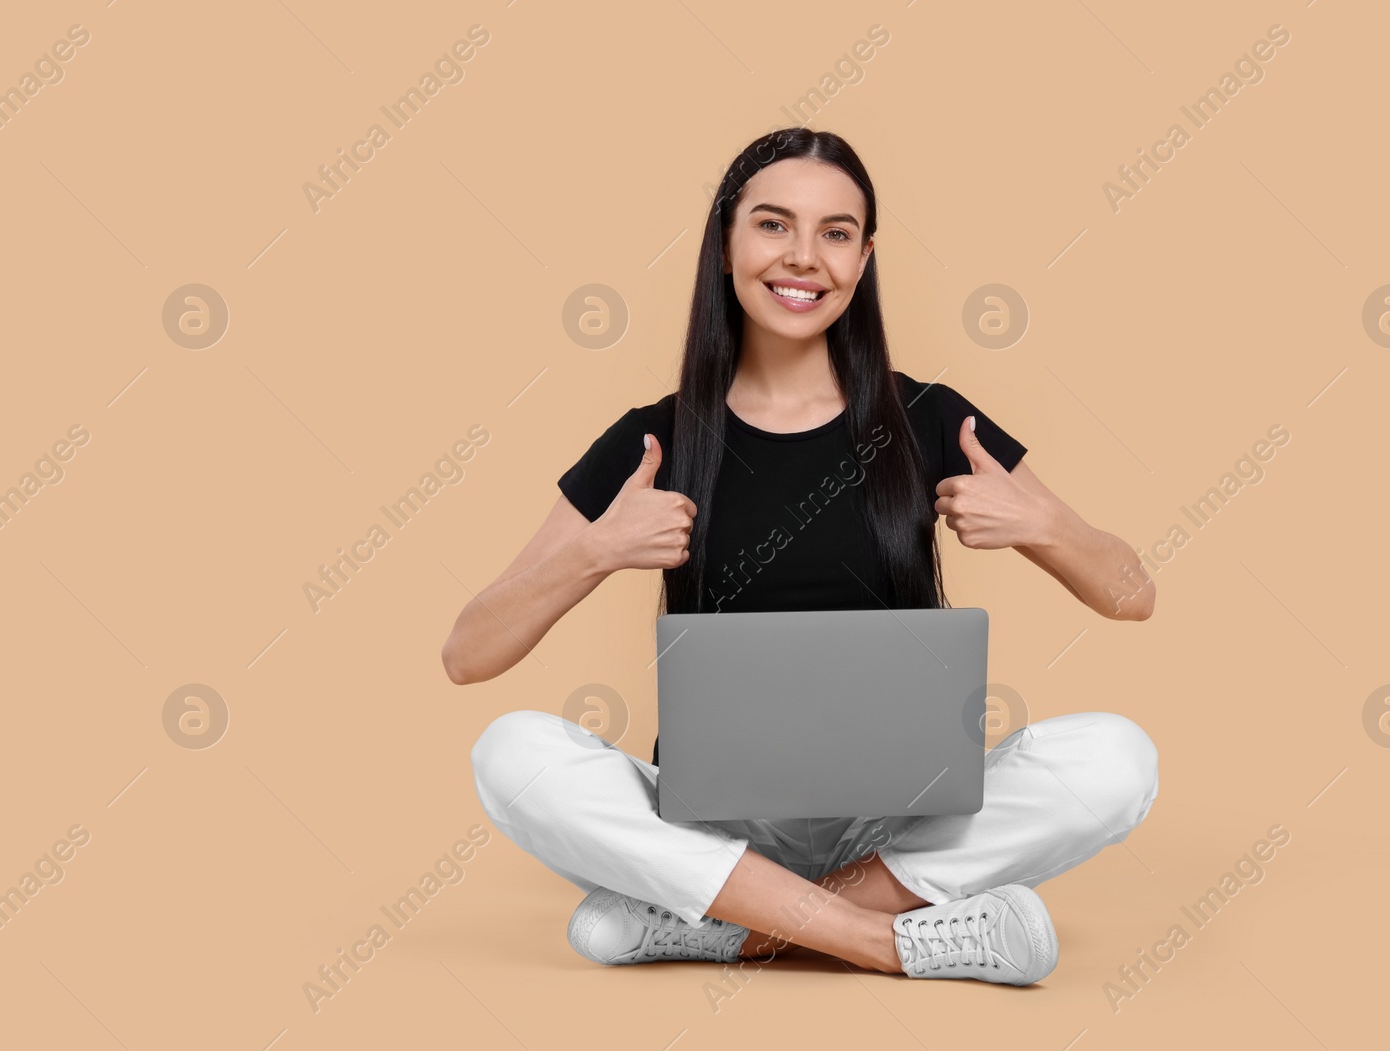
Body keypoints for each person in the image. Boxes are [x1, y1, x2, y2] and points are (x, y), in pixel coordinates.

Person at [445, 127, 1159, 987]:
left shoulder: (933, 418)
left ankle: (736, 923)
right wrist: (596, 550)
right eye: (774, 225)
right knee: (511, 754)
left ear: (863, 260)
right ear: (725, 244)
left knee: (1118, 757)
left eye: (836, 232)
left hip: (895, 826)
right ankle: (882, 940)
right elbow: (469, 652)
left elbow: (1131, 592)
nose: (804, 257)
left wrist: (1042, 525)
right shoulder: (656, 439)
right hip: (714, 827)